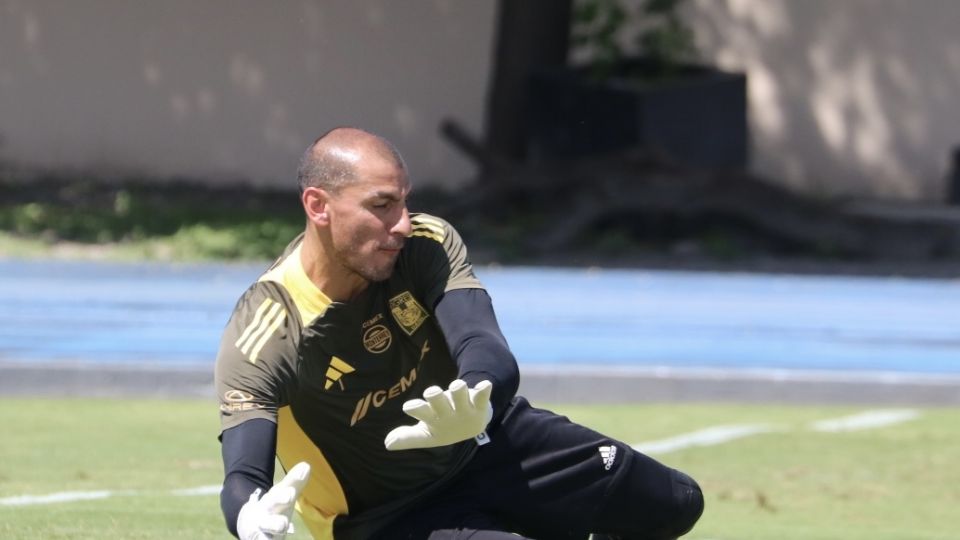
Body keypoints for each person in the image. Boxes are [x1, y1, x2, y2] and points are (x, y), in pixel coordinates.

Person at [215, 127, 704, 540]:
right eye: (382, 205)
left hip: (489, 444)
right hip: (388, 517)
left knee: (677, 502)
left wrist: (476, 401)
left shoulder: (426, 244)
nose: (403, 223)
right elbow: (243, 475)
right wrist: (249, 518)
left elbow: (482, 344)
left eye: (404, 201)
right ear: (319, 206)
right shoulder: (269, 328)